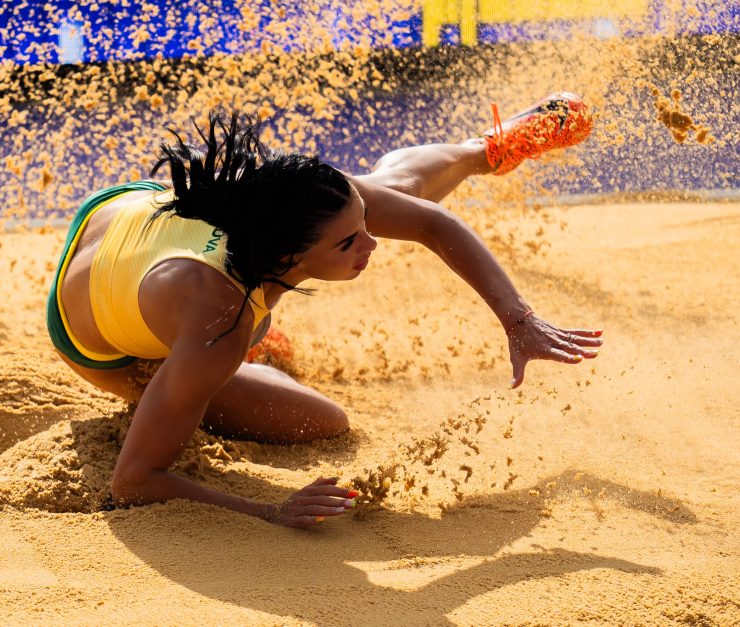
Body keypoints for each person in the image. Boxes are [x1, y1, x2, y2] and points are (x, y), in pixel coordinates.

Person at [46, 93, 602, 528]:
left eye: (363, 229)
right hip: (97, 338)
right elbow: (135, 480)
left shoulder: (277, 198)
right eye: (348, 244)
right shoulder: (219, 322)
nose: (373, 245)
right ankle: (227, 363)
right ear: (290, 256)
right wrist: (270, 511)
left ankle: (488, 147)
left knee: (385, 192)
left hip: (126, 218)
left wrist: (518, 320)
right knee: (321, 420)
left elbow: (432, 223)